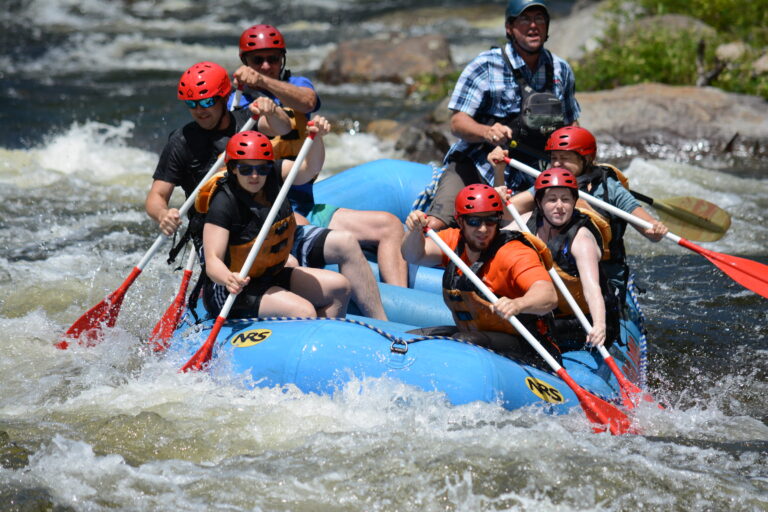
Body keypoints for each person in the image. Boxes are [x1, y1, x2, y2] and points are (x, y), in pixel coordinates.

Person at [146, 61, 388, 321]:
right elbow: (156, 197)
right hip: (228, 238)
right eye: (191, 104)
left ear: (222, 97)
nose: (199, 111)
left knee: (334, 263)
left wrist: (273, 111)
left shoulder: (249, 125)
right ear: (233, 166)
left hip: (268, 229)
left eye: (206, 103)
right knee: (293, 269)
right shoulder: (183, 146)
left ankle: (372, 326)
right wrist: (163, 215)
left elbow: (287, 135)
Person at [232, 24, 409, 287]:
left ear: (283, 59)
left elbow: (307, 102)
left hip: (305, 202)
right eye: (258, 60)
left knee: (390, 225)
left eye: (274, 59)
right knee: (302, 228)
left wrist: (263, 82)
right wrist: (255, 89)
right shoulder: (236, 102)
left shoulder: (296, 85)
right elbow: (267, 126)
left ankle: (400, 301)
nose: (267, 65)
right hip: (271, 210)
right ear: (245, 61)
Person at [424, 0, 580, 231]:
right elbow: (457, 123)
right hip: (477, 166)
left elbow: (571, 125)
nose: (533, 25)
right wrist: (487, 131)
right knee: (438, 224)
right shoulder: (485, 65)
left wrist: (582, 161)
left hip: (532, 175)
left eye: (539, 19)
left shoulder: (561, 69)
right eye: (525, 19)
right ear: (510, 28)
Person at [503, 125, 669, 303]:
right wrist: (499, 173)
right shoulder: (549, 183)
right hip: (553, 268)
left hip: (603, 275)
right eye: (554, 158)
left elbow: (648, 229)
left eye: (564, 158)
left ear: (587, 158)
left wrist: (655, 227)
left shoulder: (609, 189)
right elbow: (507, 211)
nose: (557, 164)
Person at [198, 128, 350, 318]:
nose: (255, 176)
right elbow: (212, 261)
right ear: (234, 168)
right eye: (246, 169)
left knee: (339, 287)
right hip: (233, 287)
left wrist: (317, 137)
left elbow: (309, 168)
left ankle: (324, 341)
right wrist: (229, 279)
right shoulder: (223, 203)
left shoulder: (275, 177)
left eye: (262, 169)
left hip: (270, 274)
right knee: (304, 311)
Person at [401, 184, 560, 361]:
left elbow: (548, 295)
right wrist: (414, 231)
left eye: (490, 220)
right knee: (412, 338)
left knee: (464, 341)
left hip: (530, 348)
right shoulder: (452, 240)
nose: (483, 229)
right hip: (478, 337)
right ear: (460, 221)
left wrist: (519, 304)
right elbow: (414, 255)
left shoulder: (514, 253)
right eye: (474, 221)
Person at [518, 167, 621, 349]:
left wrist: (599, 326)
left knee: (529, 333)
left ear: (574, 202)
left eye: (566, 199)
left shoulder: (581, 240)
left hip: (583, 319)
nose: (559, 206)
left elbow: (592, 289)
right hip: (547, 311)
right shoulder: (525, 223)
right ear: (540, 203)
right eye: (552, 199)